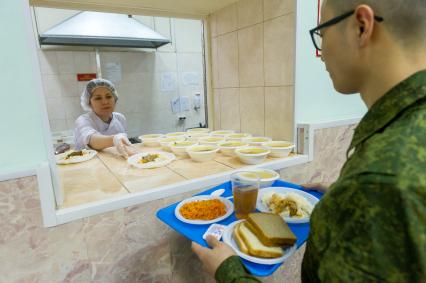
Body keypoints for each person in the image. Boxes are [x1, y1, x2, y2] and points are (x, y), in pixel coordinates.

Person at [192, 0, 426, 282]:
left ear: (361, 26)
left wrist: (228, 271)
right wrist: (344, 202)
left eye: (322, 35)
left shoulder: (379, 180)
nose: (322, 53)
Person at [74, 78, 137, 157]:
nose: (105, 102)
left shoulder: (120, 118)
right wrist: (114, 139)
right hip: (89, 165)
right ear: (89, 103)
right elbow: (90, 140)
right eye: (98, 98)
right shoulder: (83, 120)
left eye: (109, 96)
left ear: (115, 99)